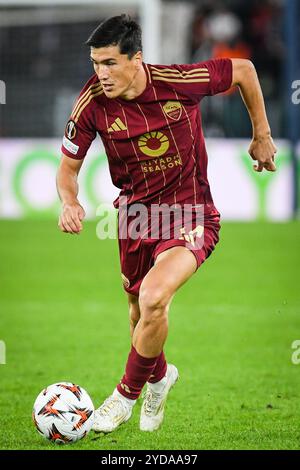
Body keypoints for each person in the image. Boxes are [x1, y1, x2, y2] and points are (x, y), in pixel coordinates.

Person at [56, 14, 277, 433]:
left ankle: (122, 398)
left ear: (136, 59)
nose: (100, 74)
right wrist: (70, 201)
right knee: (141, 316)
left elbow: (244, 71)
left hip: (190, 214)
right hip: (136, 219)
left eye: (109, 63)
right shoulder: (92, 103)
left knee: (156, 297)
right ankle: (159, 378)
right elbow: (68, 169)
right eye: (95, 64)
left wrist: (261, 133)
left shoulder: (179, 81)